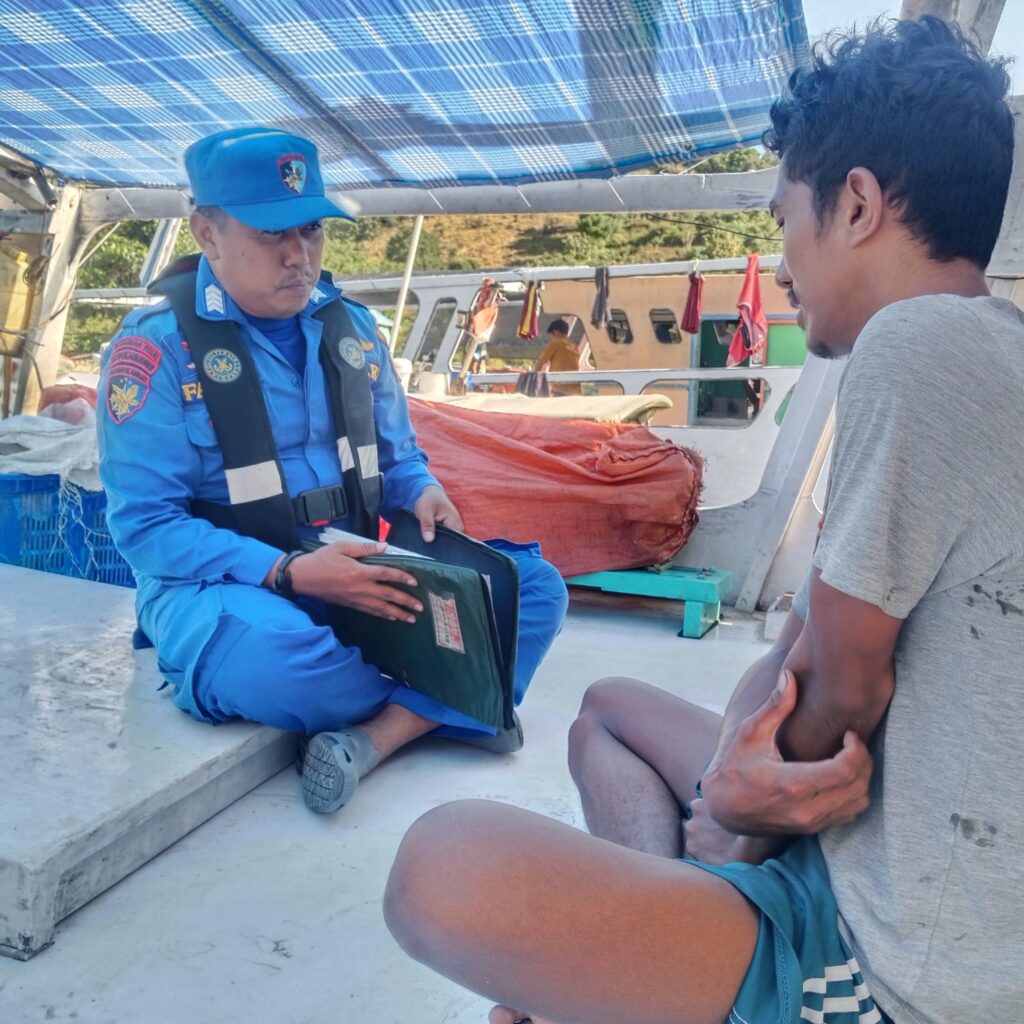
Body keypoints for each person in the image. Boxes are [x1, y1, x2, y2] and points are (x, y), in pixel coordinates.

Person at [384, 17, 1022, 1023]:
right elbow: (804, 646)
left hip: (897, 957)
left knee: (441, 864)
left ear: (854, 204)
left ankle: (684, 945)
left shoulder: (920, 347)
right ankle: (671, 948)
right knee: (608, 712)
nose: (778, 263)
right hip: (866, 834)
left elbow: (845, 685)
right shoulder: (981, 358)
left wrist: (734, 819)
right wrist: (733, 781)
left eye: (783, 220)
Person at [97, 127, 568, 815]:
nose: (299, 255)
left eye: (311, 230)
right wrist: (286, 573)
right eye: (271, 233)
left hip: (353, 569)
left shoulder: (357, 331)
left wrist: (425, 492)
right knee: (283, 667)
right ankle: (461, 699)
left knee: (534, 589)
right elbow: (145, 529)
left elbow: (400, 459)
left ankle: (381, 735)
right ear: (206, 232)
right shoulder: (154, 351)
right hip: (225, 585)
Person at [533, 319, 584, 395]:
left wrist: (533, 378)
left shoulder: (556, 342)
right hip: (576, 389)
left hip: (561, 389)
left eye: (551, 334)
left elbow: (541, 362)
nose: (551, 337)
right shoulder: (573, 345)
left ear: (555, 331)